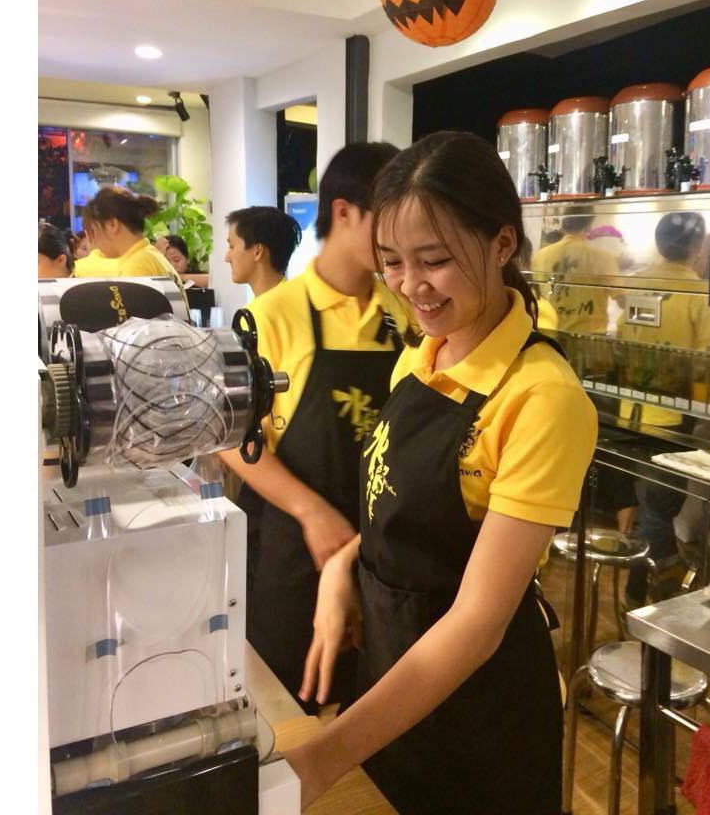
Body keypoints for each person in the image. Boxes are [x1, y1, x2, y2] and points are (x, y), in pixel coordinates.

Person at [283, 131, 597, 813]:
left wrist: (322, 757)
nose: (409, 286)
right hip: (391, 685)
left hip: (476, 717)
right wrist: (344, 569)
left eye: (434, 261)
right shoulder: (421, 353)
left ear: (503, 243)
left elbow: (478, 622)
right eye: (392, 262)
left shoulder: (543, 397)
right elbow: (401, 511)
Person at [218, 142, 409, 713]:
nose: (402, 237)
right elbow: (227, 437)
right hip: (291, 548)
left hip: (380, 551)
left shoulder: (402, 312)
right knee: (285, 709)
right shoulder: (269, 316)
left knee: (372, 704)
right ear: (344, 212)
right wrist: (310, 510)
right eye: (390, 218)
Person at [617, 211, 710, 608]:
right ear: (697, 248)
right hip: (673, 414)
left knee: (649, 504)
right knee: (660, 508)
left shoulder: (637, 283)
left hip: (631, 410)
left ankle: (642, 584)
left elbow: (622, 341)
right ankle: (648, 589)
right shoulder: (699, 292)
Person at [79, 187, 187, 301]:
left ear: (112, 224)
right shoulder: (150, 254)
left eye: (93, 232)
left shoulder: (137, 265)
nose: (93, 241)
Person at [530, 214, 618, 335]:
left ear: (563, 226)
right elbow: (623, 301)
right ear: (588, 226)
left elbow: (536, 294)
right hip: (590, 336)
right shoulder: (603, 258)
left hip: (550, 332)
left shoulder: (540, 256)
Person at [224, 206, 303, 299]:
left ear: (258, 251)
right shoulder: (295, 300)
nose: (226, 258)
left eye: (232, 246)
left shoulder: (266, 307)